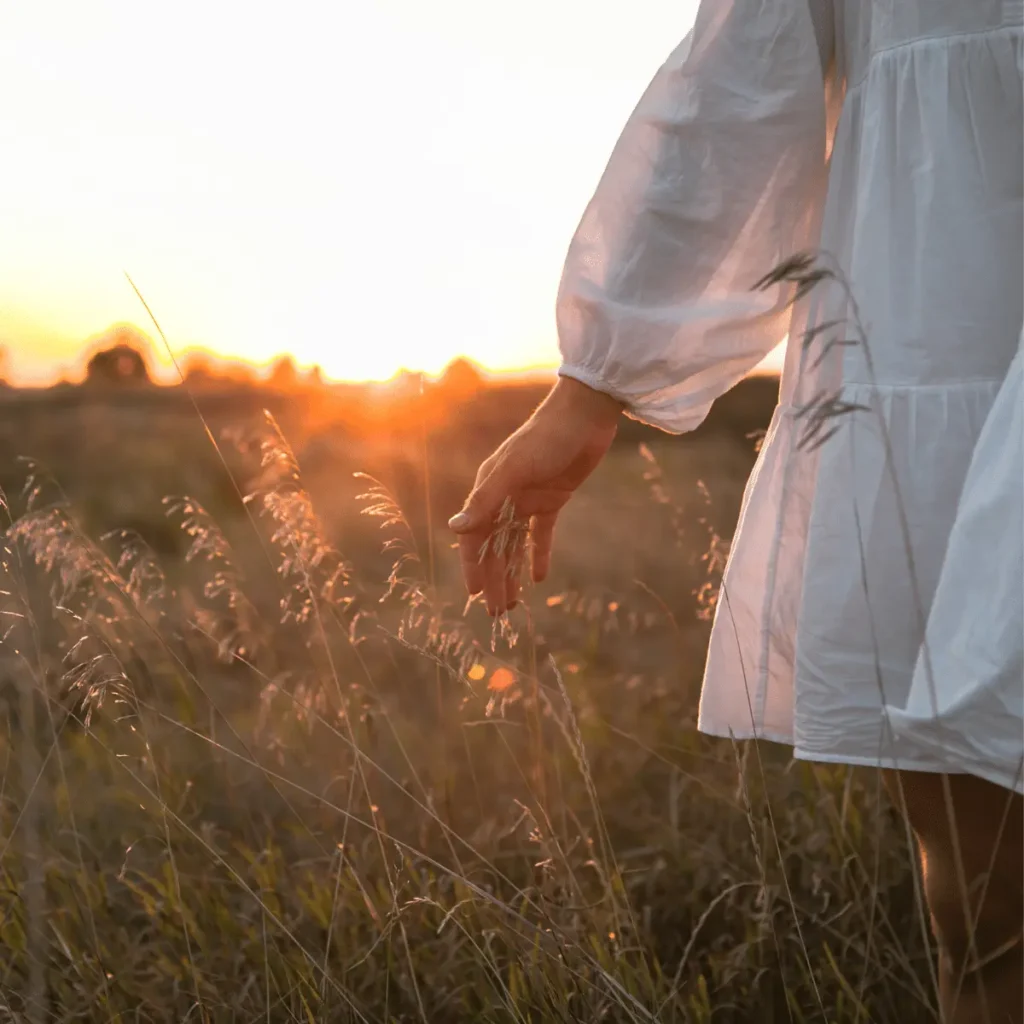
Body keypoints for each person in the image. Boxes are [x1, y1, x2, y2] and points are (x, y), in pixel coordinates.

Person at [447, 2, 1024, 1021]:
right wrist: (591, 384)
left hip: (939, 334)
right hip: (952, 333)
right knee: (991, 913)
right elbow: (742, 80)